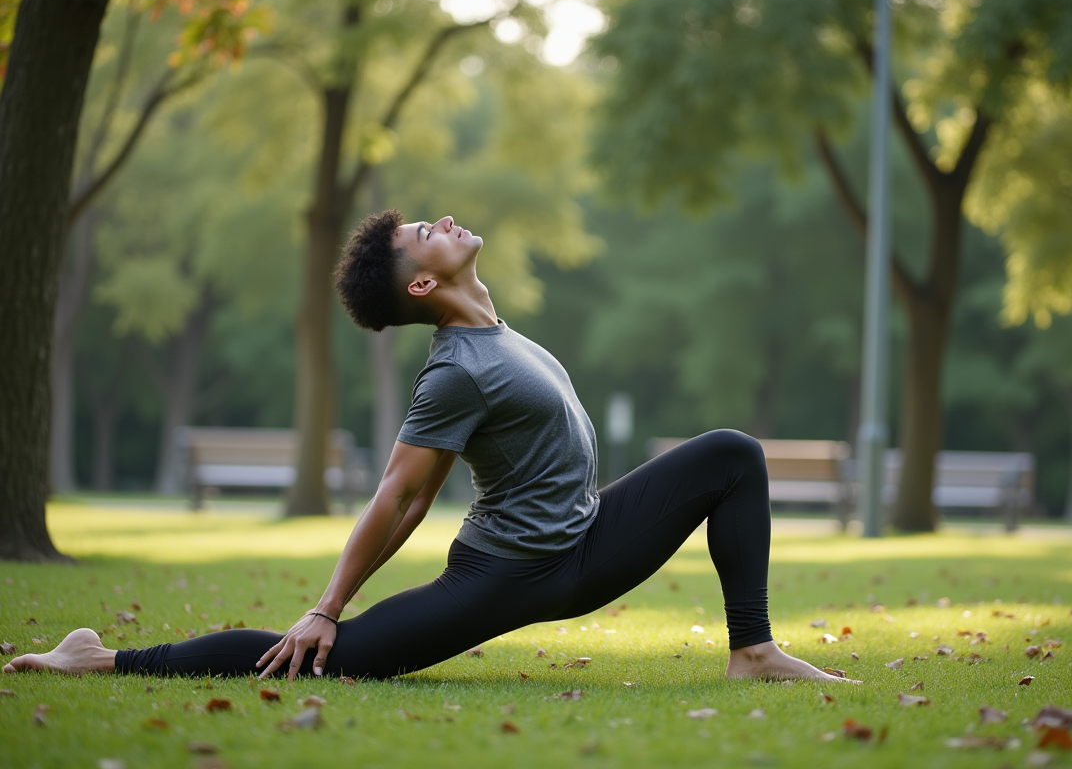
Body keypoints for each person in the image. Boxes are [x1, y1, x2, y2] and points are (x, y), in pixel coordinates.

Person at [4, 211, 857, 686]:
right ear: (422, 283)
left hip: (585, 533)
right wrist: (329, 603)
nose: (441, 220)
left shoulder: (499, 336)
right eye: (424, 231)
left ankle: (753, 650)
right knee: (331, 661)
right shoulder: (453, 371)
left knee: (732, 455)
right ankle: (104, 658)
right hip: (514, 570)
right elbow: (401, 496)